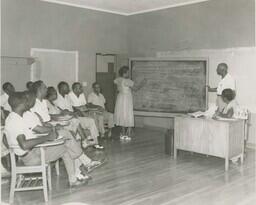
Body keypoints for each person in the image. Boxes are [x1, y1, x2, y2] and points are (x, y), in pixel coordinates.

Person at [5, 92, 88, 187]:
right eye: (26, 100)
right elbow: (24, 145)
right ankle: (75, 176)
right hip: (32, 158)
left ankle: (79, 168)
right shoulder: (16, 121)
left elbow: (6, 139)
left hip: (31, 153)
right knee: (65, 149)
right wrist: (47, 137)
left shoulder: (13, 118)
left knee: (64, 142)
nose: (28, 102)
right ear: (21, 103)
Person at [22, 91, 101, 177]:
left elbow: (44, 124)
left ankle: (79, 172)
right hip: (38, 150)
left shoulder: (32, 113)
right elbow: (40, 130)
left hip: (40, 145)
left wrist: (56, 126)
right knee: (68, 141)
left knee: (70, 139)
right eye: (32, 99)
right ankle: (83, 167)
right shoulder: (26, 115)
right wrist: (54, 128)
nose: (34, 100)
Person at [55, 81, 104, 149]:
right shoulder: (57, 98)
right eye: (67, 88)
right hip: (67, 119)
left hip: (75, 116)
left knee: (91, 121)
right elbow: (62, 112)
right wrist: (75, 112)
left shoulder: (67, 96)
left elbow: (73, 107)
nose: (69, 89)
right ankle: (85, 141)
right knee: (77, 121)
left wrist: (78, 111)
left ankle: (96, 143)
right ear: (62, 88)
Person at [114, 66, 146, 140]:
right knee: (127, 113)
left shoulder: (118, 79)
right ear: (125, 72)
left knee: (122, 114)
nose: (129, 73)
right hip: (126, 99)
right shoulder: (127, 81)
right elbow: (136, 89)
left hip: (120, 98)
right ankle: (127, 132)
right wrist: (143, 83)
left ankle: (123, 133)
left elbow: (117, 89)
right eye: (128, 72)